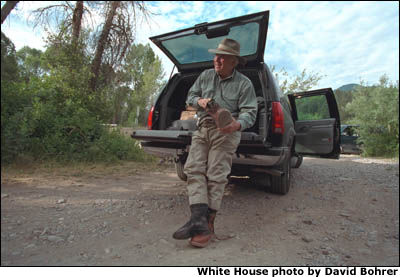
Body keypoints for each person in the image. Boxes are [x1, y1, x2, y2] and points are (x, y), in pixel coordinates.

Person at [172, 38, 258, 247]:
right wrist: (199, 101)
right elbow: (190, 96)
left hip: (226, 131)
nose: (217, 59)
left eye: (223, 57)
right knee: (193, 170)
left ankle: (208, 223)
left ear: (234, 62)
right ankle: (199, 221)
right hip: (203, 127)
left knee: (216, 175)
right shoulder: (205, 76)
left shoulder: (244, 84)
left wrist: (236, 125)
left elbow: (251, 112)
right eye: (216, 55)